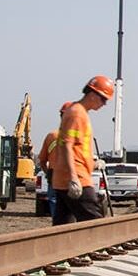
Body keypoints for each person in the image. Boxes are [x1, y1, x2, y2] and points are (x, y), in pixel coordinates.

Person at [50, 76, 114, 225]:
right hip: (77, 178)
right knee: (95, 223)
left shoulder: (77, 111)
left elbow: (78, 148)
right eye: (103, 99)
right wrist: (74, 178)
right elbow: (67, 145)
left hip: (64, 179)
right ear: (92, 94)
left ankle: (61, 248)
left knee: (63, 226)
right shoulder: (77, 113)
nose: (104, 104)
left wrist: (93, 163)